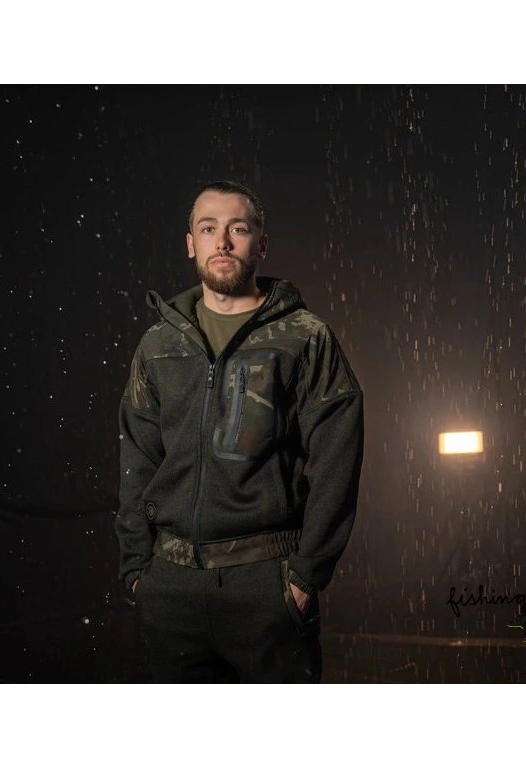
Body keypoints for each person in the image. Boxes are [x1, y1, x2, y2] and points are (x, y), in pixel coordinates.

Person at [115, 180, 364, 683]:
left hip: (267, 585)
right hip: (170, 588)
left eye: (238, 229)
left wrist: (305, 574)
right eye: (208, 229)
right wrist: (138, 569)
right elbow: (137, 458)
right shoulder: (158, 345)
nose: (223, 242)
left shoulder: (304, 337)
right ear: (191, 244)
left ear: (261, 244)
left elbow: (338, 456)